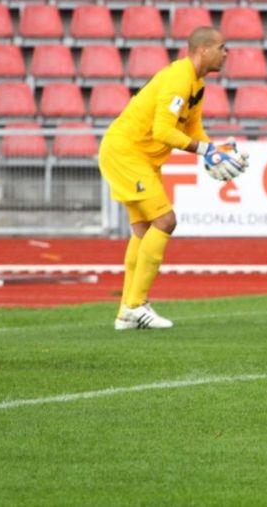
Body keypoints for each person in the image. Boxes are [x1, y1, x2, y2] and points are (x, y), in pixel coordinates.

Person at [98, 27, 248, 330]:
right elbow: (163, 131)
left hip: (139, 156)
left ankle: (125, 313)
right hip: (128, 153)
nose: (226, 53)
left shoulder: (197, 83)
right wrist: (206, 151)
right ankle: (135, 306)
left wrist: (212, 150)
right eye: (222, 47)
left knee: (142, 230)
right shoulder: (179, 79)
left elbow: (193, 130)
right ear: (203, 50)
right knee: (166, 221)